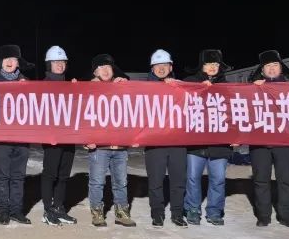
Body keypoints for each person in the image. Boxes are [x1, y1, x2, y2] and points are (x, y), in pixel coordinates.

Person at [184, 49, 236, 225]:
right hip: (195, 142)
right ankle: (192, 209)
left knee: (218, 179)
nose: (212, 67)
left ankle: (214, 211)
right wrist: (199, 89)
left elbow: (234, 113)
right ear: (202, 65)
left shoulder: (227, 87)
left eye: (216, 64)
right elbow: (178, 97)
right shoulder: (191, 82)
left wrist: (235, 135)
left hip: (220, 143)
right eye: (208, 64)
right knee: (193, 177)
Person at [249, 50, 289, 228]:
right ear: (262, 70)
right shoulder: (253, 89)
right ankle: (263, 216)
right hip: (259, 143)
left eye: (275, 65)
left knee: (285, 180)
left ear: (281, 68)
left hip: (283, 142)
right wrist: (253, 88)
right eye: (267, 66)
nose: (271, 69)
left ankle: (286, 216)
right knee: (261, 180)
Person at [0, 45, 35, 225]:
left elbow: (37, 108)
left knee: (18, 176)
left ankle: (16, 210)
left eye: (13, 59)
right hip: (1, 139)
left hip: (22, 138)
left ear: (18, 63)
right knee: (2, 176)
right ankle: (4, 211)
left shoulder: (26, 82)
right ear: (1, 62)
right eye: (6, 59)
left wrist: (28, 89)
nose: (9, 62)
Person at [86, 53, 134, 227]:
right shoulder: (88, 89)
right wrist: (87, 138)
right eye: (100, 68)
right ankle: (97, 212)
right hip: (99, 146)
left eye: (108, 67)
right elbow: (82, 116)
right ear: (95, 72)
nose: (105, 71)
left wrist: (127, 85)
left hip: (120, 146)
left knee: (121, 182)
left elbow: (134, 109)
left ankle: (122, 212)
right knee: (97, 181)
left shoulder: (121, 86)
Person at [144, 49, 186, 227]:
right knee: (156, 181)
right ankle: (157, 213)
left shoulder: (180, 86)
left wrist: (180, 86)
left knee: (178, 180)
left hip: (177, 142)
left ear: (171, 67)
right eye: (157, 65)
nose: (161, 69)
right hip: (155, 143)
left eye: (165, 65)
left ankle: (177, 213)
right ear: (152, 68)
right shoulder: (143, 89)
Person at [39, 46, 78, 225]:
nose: (60, 65)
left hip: (68, 136)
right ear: (49, 64)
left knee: (64, 175)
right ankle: (48, 210)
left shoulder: (70, 85)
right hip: (52, 137)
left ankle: (59, 208)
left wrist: (78, 90)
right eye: (56, 62)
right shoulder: (42, 86)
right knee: (50, 174)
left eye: (62, 62)